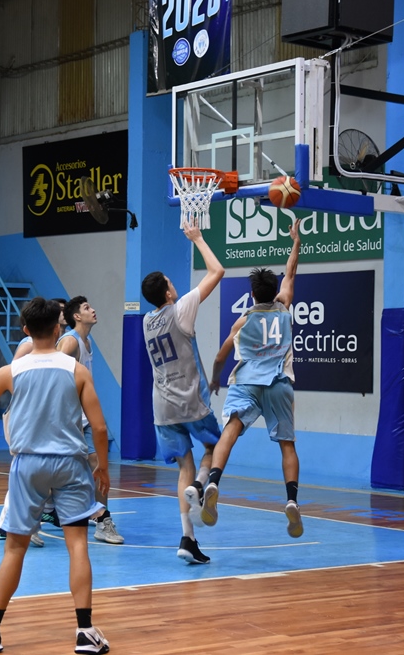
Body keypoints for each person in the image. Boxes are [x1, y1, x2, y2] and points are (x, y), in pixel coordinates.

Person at [0, 297, 111, 654]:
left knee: (14, 549)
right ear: (58, 327)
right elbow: (98, 428)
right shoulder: (76, 370)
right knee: (78, 545)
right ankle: (85, 632)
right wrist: (104, 468)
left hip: (28, 465)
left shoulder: (12, 370)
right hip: (71, 464)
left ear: (25, 330)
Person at [203, 219, 304, 538]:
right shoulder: (284, 307)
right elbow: (291, 272)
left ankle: (214, 482)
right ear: (275, 291)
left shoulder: (242, 322)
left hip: (246, 382)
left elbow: (220, 356)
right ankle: (291, 501)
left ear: (251, 293)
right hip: (278, 384)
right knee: (287, 445)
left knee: (229, 432)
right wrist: (295, 241)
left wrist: (216, 379)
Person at [141, 219, 225, 564]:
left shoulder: (146, 321)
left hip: (161, 406)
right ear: (168, 293)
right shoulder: (180, 310)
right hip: (190, 398)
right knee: (215, 448)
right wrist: (198, 239)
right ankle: (203, 485)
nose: (175, 286)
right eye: (171, 284)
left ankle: (187, 538)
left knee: (182, 468)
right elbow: (217, 270)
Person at [0, 297, 67, 548]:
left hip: (39, 420)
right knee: (25, 470)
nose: (63, 317)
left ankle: (22, 522)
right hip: (23, 417)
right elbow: (17, 384)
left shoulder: (60, 348)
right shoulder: (27, 347)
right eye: (61, 313)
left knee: (33, 474)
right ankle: (5, 525)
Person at [58, 295, 124, 544]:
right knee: (54, 470)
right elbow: (54, 372)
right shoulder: (69, 342)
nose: (93, 310)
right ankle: (27, 516)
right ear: (77, 316)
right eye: (87, 308)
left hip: (81, 418)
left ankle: (102, 521)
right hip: (66, 419)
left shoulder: (87, 341)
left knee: (98, 465)